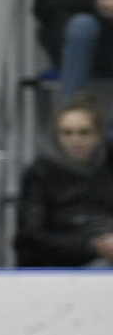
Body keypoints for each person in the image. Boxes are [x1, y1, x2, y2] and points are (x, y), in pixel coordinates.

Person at [16, 95, 113, 266]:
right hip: (62, 265)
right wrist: (91, 247)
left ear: (98, 135)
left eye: (84, 132)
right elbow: (31, 236)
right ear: (57, 136)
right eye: (67, 133)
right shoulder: (40, 174)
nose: (76, 140)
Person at [37, 0, 113, 107]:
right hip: (72, 38)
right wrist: (96, 3)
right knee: (83, 25)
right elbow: (43, 6)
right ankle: (71, 111)